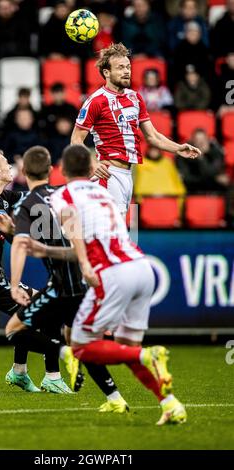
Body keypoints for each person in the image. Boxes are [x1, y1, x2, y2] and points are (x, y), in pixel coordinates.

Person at [49, 144, 187, 425]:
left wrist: (85, 264)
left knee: (79, 346)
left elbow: (71, 221)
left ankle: (146, 354)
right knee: (124, 346)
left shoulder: (62, 194)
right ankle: (169, 403)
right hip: (142, 268)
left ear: (62, 170)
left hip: (112, 274)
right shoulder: (103, 192)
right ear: (92, 169)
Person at [3, 146, 129, 408]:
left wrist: (15, 284)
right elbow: (76, 227)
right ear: (51, 171)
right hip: (87, 282)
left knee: (14, 330)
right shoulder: (64, 195)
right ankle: (115, 397)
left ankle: (63, 355)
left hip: (61, 286)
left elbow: (21, 245)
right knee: (82, 342)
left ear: (23, 171)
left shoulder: (28, 204)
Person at [0, 149, 57, 393]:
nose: (10, 167)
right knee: (37, 307)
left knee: (33, 308)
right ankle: (56, 364)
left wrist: (78, 188)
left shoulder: (0, 197)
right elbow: (15, 235)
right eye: (6, 163)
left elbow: (34, 196)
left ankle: (20, 372)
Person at [71, 43, 200, 215]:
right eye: (120, 68)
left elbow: (152, 136)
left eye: (128, 67)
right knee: (110, 232)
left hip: (127, 175)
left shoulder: (135, 97)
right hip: (108, 175)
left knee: (117, 231)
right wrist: (91, 163)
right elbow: (76, 140)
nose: (126, 71)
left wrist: (178, 148)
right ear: (106, 73)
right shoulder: (96, 101)